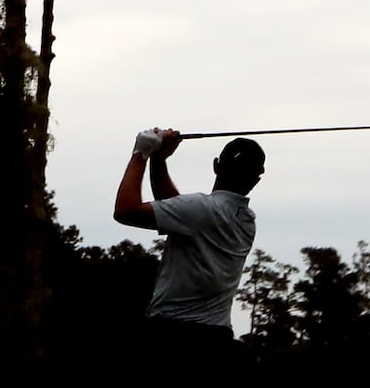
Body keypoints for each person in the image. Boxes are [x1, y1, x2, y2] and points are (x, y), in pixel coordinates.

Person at [114, 127, 265, 371]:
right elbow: (175, 209)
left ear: (216, 165)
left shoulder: (199, 210)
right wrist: (159, 159)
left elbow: (125, 210)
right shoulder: (247, 221)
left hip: (172, 338)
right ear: (256, 180)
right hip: (216, 344)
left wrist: (141, 153)